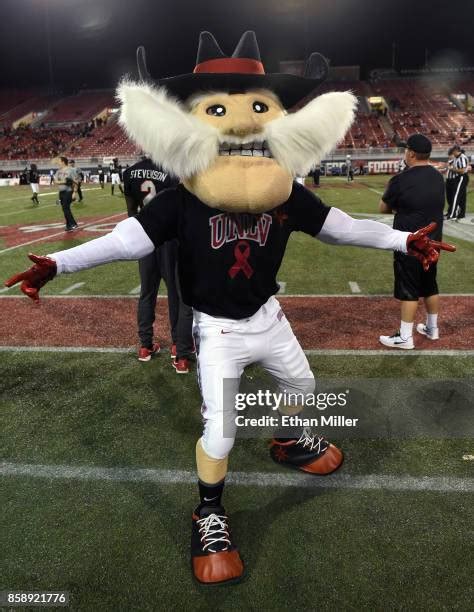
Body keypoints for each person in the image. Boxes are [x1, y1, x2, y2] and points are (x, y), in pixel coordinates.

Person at [5, 33, 455, 587]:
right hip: (217, 329)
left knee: (303, 389)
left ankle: (288, 439)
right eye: (218, 109)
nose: (243, 126)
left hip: (270, 316)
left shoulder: (284, 191)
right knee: (221, 433)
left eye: (258, 108)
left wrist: (403, 240)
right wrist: (58, 263)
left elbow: (340, 227)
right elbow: (126, 240)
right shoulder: (182, 195)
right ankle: (209, 511)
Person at [123, 156, 194, 371]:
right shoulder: (171, 169)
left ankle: (145, 346)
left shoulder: (130, 172)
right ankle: (176, 345)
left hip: (145, 236)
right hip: (169, 240)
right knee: (174, 292)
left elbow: (131, 211)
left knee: (147, 292)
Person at [378, 134, 446, 349]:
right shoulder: (437, 177)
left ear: (411, 153)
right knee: (429, 284)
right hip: (433, 242)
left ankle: (405, 337)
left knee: (409, 287)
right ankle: (432, 328)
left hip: (409, 241)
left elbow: (383, 208)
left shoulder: (401, 179)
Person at [54, 156, 78, 232]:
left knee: (65, 207)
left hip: (68, 191)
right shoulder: (58, 171)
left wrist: (74, 192)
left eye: (59, 161)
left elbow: (76, 182)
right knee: (64, 209)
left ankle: (73, 223)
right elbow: (55, 181)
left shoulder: (71, 170)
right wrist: (65, 181)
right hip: (61, 192)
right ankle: (68, 225)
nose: (58, 163)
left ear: (63, 162)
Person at [447, 145, 469, 220]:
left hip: (462, 177)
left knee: (456, 195)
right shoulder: (457, 158)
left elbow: (462, 170)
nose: (453, 153)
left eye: (453, 151)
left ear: (456, 150)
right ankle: (461, 214)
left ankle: (452, 215)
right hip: (459, 177)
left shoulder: (462, 157)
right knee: (462, 196)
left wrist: (452, 169)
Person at [445, 147, 457, 218]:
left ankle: (453, 212)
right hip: (448, 180)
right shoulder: (449, 161)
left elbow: (453, 169)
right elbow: (447, 169)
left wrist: (449, 167)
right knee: (449, 197)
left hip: (453, 180)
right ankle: (449, 211)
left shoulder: (456, 161)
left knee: (453, 197)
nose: (449, 156)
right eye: (449, 155)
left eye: (450, 154)